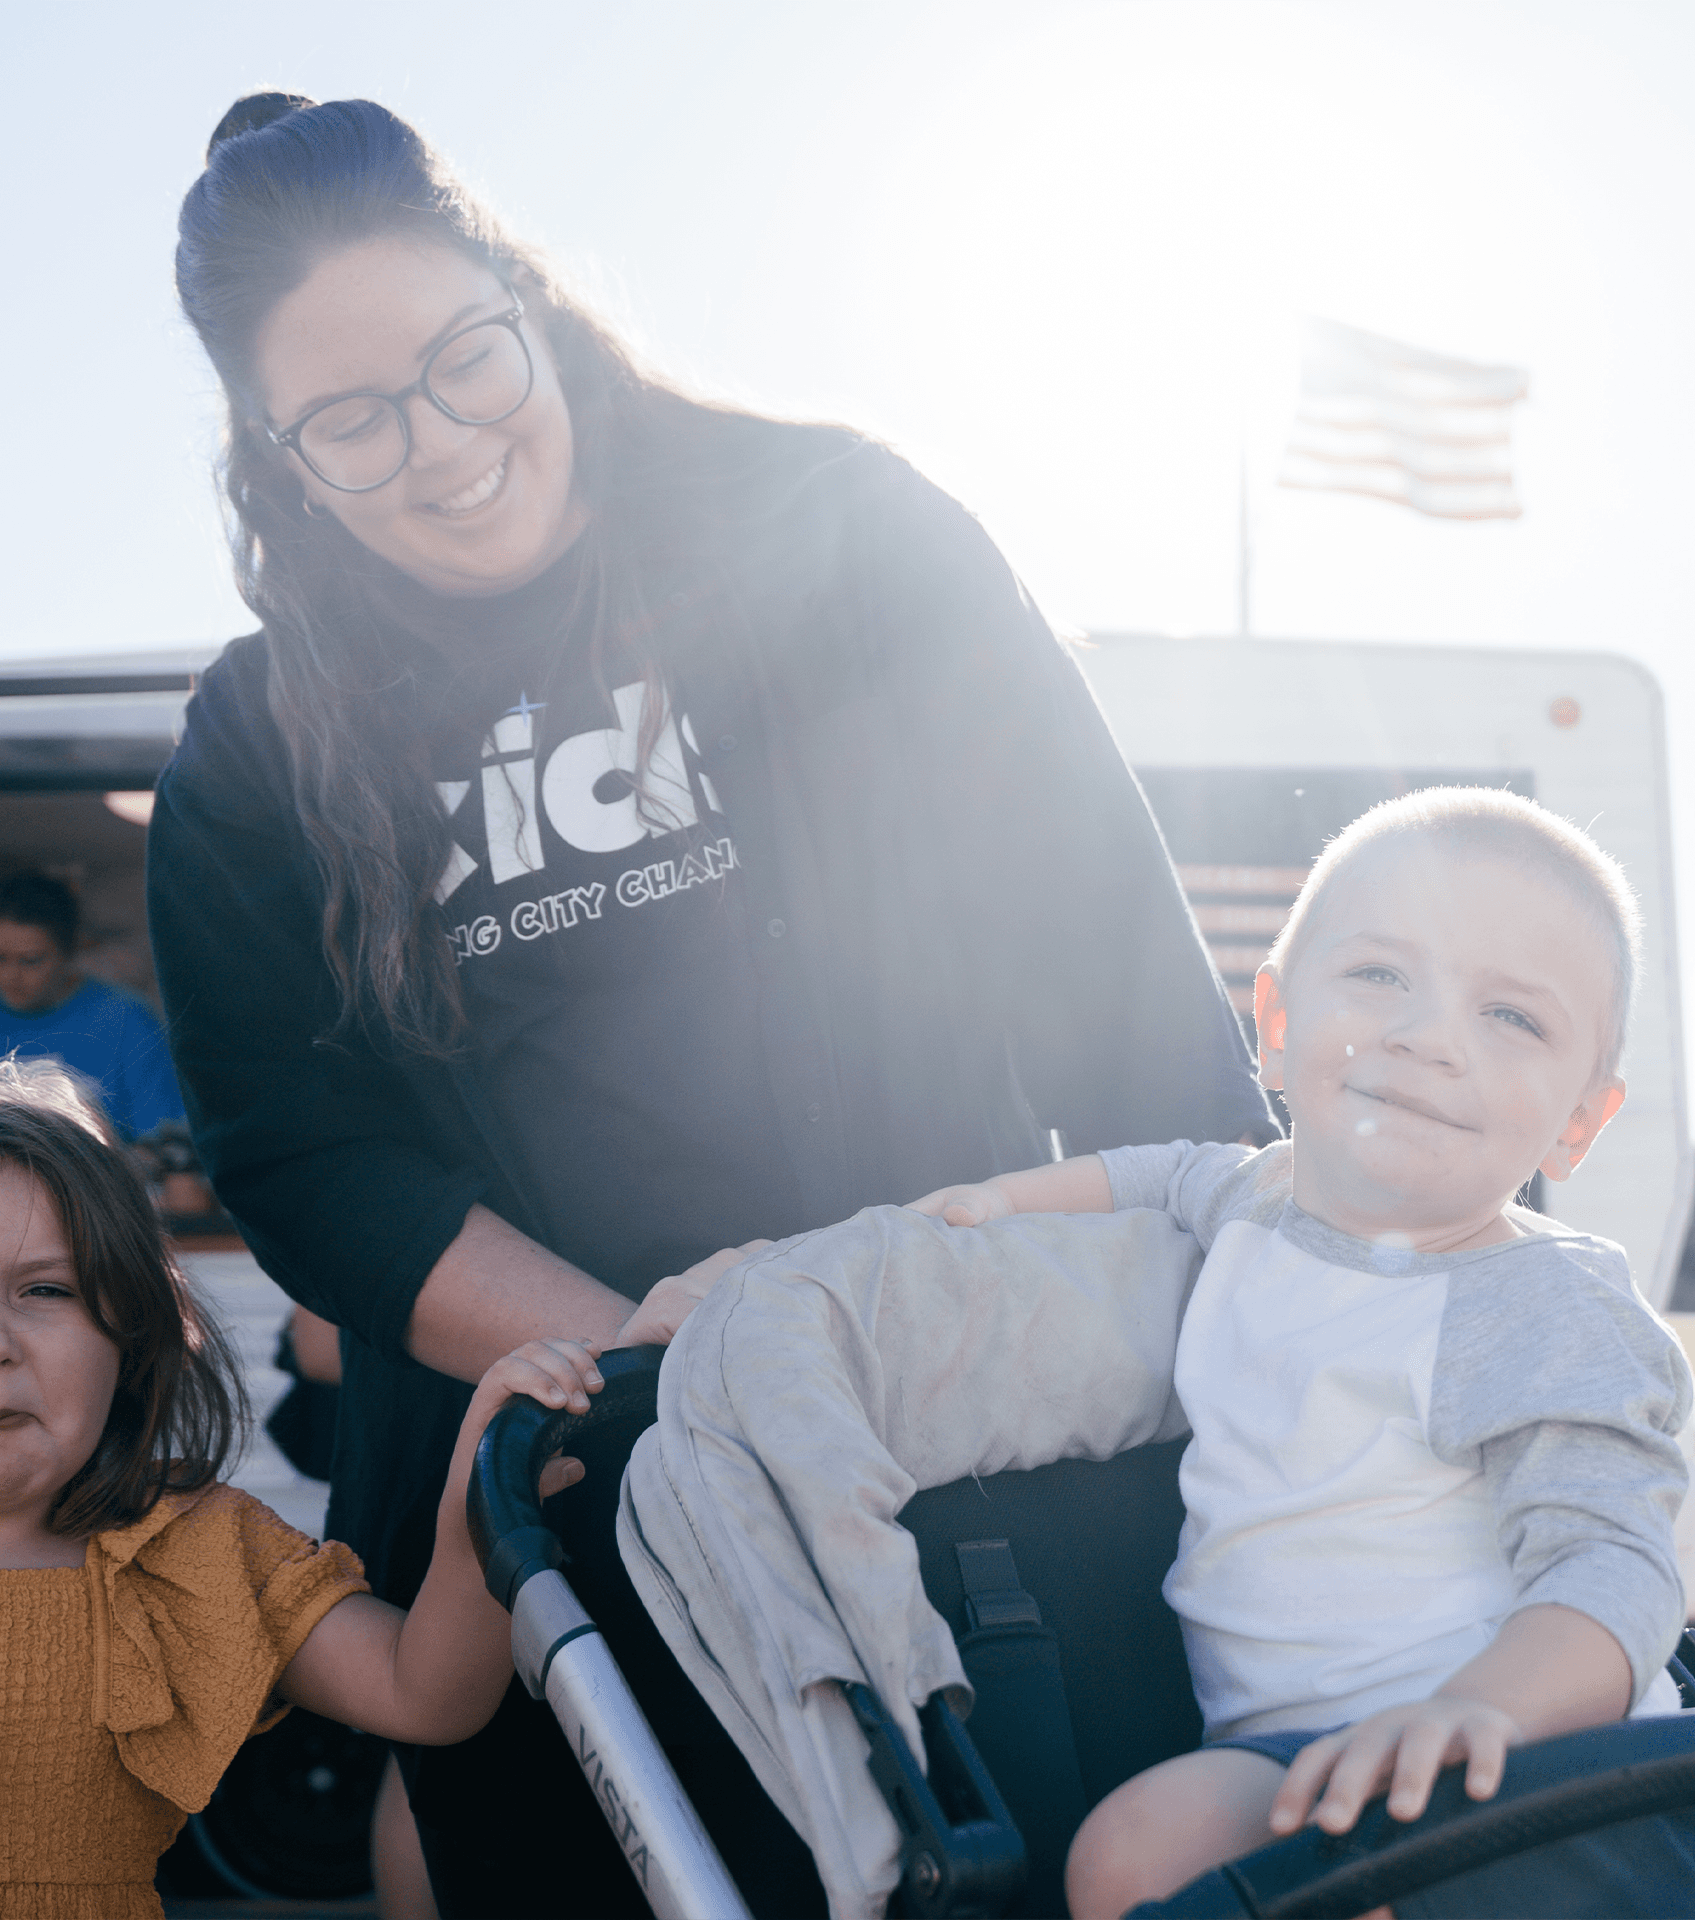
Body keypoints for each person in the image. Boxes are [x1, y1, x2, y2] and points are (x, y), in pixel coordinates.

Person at [149, 92, 1273, 1911]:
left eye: (463, 360)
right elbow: (302, 1155)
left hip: (980, 1464)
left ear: (529, 298)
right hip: (572, 1527)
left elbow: (1117, 980)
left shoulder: (844, 532)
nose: (439, 447)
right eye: (350, 422)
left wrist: (1290, 1328)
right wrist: (661, 1373)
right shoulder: (255, 745)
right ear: (274, 455)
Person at [909, 788, 1690, 1920]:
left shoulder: (1537, 1299)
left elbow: (1614, 1573)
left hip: (1526, 1768)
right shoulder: (1250, 1199)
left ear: (1579, 1120)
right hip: (1297, 1757)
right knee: (1127, 1854)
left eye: (1511, 1018)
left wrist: (1480, 1713)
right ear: (1275, 1022)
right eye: (1381, 976)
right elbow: (1143, 1174)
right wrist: (979, 1205)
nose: (1429, 1037)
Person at [0, 1063, 603, 1913]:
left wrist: (475, 1513)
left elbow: (424, 1695)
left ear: (129, 1332)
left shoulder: (191, 1547)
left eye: (45, 1290)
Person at [0, 873, 184, 1142]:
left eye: (30, 960)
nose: (11, 975)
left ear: (69, 953)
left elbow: (165, 1149)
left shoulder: (128, 1021)